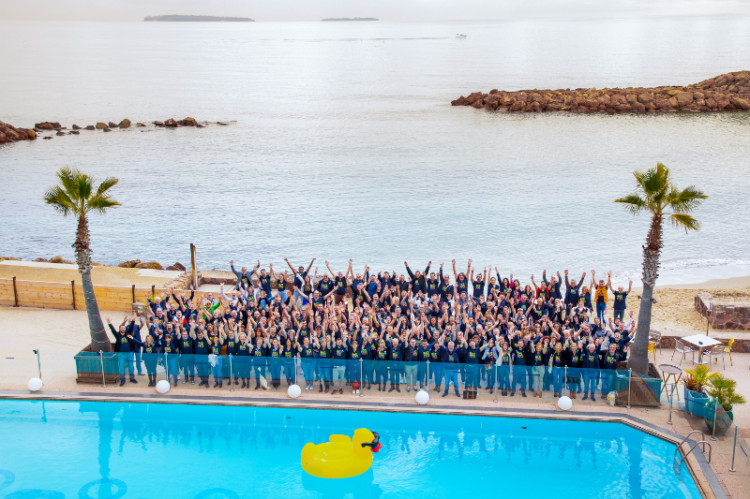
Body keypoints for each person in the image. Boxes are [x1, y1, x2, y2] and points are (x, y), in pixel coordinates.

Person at [107, 317, 139, 386]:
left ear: (125, 329)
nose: (123, 329)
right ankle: (122, 380)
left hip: (129, 353)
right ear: (120, 329)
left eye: (124, 328)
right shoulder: (117, 335)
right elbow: (112, 330)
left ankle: (132, 378)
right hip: (121, 354)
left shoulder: (128, 334)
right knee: (121, 367)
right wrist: (109, 323)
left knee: (131, 366)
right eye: (121, 328)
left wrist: (133, 320)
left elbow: (131, 326)